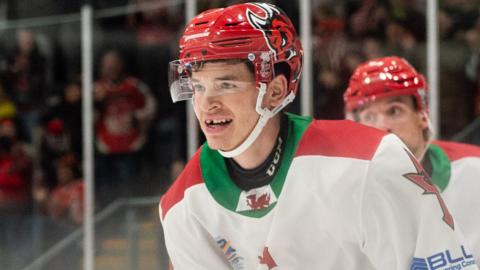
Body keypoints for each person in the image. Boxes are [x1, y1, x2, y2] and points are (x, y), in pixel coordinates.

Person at [159, 3, 478, 269]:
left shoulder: (370, 162)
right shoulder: (183, 205)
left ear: (275, 90)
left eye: (226, 84)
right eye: (198, 86)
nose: (206, 103)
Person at [344, 55, 480, 263]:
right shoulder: (342, 194)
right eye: (369, 116)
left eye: (394, 110)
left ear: (421, 115)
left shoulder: (474, 172)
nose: (382, 127)